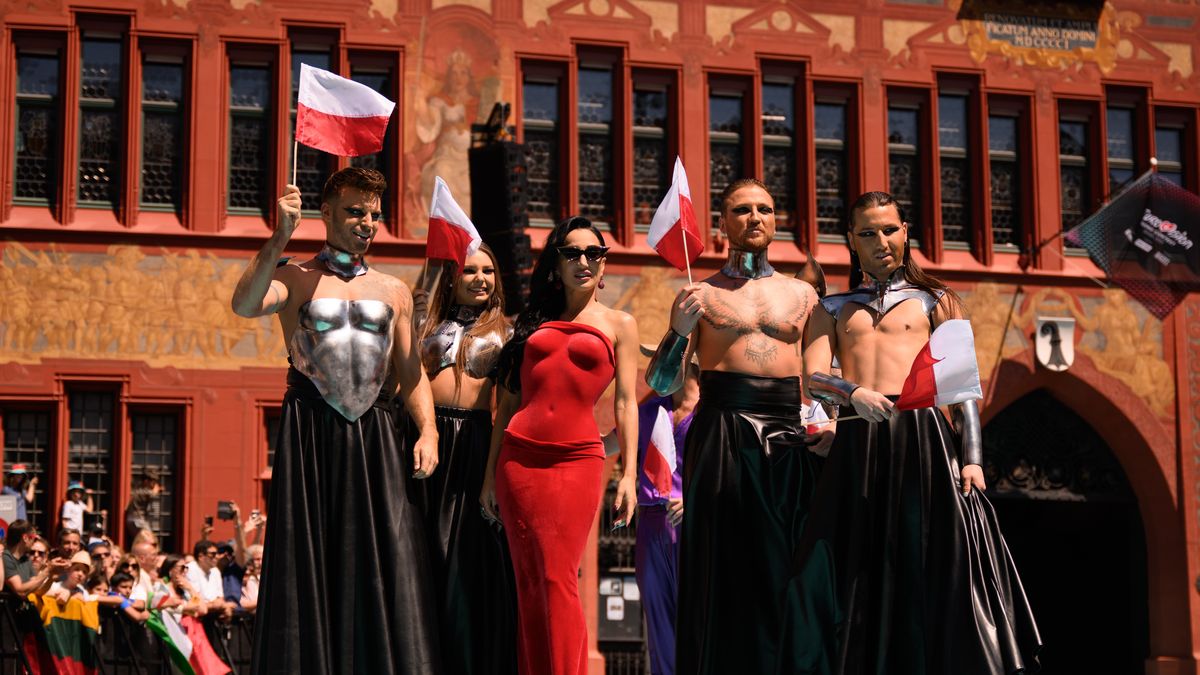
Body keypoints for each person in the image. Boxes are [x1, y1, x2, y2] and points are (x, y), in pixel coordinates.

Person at [782, 191, 1041, 674]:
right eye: (867, 233)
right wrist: (852, 392)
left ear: (905, 233)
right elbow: (813, 377)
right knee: (845, 565)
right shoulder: (831, 307)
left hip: (924, 441)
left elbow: (962, 388)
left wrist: (973, 459)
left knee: (930, 563)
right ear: (851, 243)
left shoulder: (938, 301)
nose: (881, 241)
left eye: (889, 230)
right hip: (858, 441)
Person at [231, 167, 440, 673]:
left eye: (373, 213)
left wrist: (429, 431)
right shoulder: (295, 276)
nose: (367, 222)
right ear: (324, 213)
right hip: (312, 431)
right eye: (355, 211)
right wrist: (279, 235)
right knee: (311, 557)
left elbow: (410, 373)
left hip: (376, 433)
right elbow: (244, 304)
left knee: (384, 556)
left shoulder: (393, 290)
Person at [643, 177, 819, 674]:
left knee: (787, 564)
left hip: (788, 430)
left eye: (764, 208)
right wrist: (679, 332)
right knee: (721, 566)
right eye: (742, 210)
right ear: (723, 224)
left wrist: (826, 422)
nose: (755, 217)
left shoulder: (803, 294)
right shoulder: (700, 294)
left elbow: (823, 372)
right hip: (721, 429)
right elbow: (659, 379)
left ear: (775, 219)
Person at [482, 216, 639, 675]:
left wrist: (627, 474)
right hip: (518, 460)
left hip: (576, 461)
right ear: (555, 264)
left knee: (557, 579)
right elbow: (507, 403)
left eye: (594, 253)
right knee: (528, 581)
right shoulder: (531, 322)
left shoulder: (619, 323)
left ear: (604, 263)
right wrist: (490, 474)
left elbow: (627, 403)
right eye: (572, 253)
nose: (584, 261)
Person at [411, 246, 517, 675]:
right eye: (469, 270)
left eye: (488, 270)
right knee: (420, 555)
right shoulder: (425, 324)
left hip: (474, 442)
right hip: (423, 438)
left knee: (465, 563)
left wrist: (491, 473)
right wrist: (414, 322)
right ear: (451, 277)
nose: (480, 278)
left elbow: (507, 409)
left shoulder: (508, 334)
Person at [635, 356, 699, 675]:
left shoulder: (713, 413)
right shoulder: (649, 410)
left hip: (696, 526)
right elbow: (608, 443)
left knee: (697, 622)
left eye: (670, 361)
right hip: (651, 523)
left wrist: (697, 500)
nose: (661, 368)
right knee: (659, 624)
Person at [3, 521, 67, 596]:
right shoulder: (5, 558)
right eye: (34, 537)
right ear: (25, 538)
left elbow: (37, 591)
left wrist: (51, 576)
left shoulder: (25, 559)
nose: (35, 540)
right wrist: (48, 569)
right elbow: (20, 591)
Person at [188, 539, 234, 619]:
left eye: (217, 553)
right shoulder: (189, 569)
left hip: (213, 615)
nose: (217, 557)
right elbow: (194, 599)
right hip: (195, 617)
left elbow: (220, 597)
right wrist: (216, 605)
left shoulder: (215, 571)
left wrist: (222, 606)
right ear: (201, 556)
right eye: (213, 554)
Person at [123, 469, 162, 547]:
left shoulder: (137, 489)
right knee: (150, 541)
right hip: (138, 520)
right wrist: (156, 490)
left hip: (135, 520)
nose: (154, 484)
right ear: (146, 481)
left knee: (141, 541)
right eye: (153, 482)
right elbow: (152, 493)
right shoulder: (143, 491)